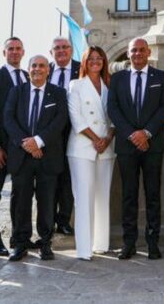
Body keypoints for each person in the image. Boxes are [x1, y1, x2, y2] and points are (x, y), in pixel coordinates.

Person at [107, 37, 164, 260]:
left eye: (142, 50)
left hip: (152, 144)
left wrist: (146, 133)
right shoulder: (117, 79)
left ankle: (153, 243)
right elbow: (113, 108)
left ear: (149, 52)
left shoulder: (161, 77)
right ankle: (129, 243)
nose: (137, 54)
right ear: (128, 53)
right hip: (127, 145)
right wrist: (132, 134)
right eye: (134, 50)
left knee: (153, 195)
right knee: (129, 196)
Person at [4, 55, 70, 261]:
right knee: (20, 202)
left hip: (48, 156)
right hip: (21, 156)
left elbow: (61, 120)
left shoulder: (58, 93)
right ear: (28, 69)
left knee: (47, 202)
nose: (37, 69)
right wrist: (27, 144)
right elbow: (8, 118)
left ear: (48, 70)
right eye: (34, 66)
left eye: (42, 66)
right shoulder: (17, 92)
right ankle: (21, 243)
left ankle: (45, 242)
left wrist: (39, 141)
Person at [66, 46, 115, 261]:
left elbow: (115, 116)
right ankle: (84, 249)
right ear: (85, 62)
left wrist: (108, 138)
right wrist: (96, 139)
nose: (95, 62)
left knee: (102, 196)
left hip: (107, 146)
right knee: (84, 197)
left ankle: (101, 243)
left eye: (99, 58)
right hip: (82, 147)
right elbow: (76, 117)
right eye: (91, 59)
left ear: (104, 62)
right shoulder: (76, 85)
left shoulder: (110, 86)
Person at [0, 36, 29, 256]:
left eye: (18, 49)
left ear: (23, 52)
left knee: (20, 194)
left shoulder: (29, 77)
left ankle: (19, 237)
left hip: (22, 149)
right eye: (11, 49)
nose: (15, 52)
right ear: (4, 52)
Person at [48, 36, 80, 236]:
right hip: (49, 134)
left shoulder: (81, 69)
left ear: (71, 50)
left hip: (75, 132)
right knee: (49, 179)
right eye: (57, 48)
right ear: (51, 52)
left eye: (65, 47)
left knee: (68, 179)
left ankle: (64, 220)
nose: (61, 51)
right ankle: (48, 219)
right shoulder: (43, 68)